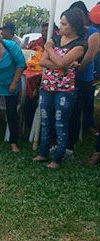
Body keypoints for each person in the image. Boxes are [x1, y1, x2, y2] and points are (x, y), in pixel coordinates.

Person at [33, 9, 86, 169]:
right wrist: (63, 63)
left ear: (74, 26)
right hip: (47, 86)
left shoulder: (80, 45)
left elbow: (61, 63)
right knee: (46, 120)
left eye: (64, 24)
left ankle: (57, 158)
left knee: (60, 123)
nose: (60, 27)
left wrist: (49, 50)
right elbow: (43, 62)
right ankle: (43, 152)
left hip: (65, 90)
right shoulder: (56, 38)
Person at [68, 3, 100, 157]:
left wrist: (76, 69)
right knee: (68, 109)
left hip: (83, 77)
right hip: (68, 76)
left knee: (78, 109)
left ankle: (72, 143)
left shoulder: (93, 33)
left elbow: (90, 56)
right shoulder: (73, 32)